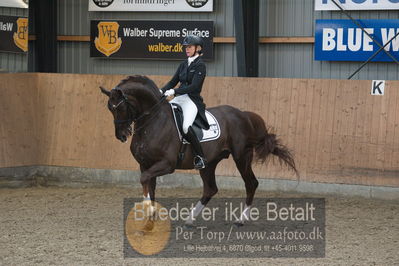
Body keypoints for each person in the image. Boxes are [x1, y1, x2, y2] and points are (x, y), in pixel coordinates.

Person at [161, 35, 209, 169]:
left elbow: (195, 87)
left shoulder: (200, 65)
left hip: (191, 100)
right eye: (186, 47)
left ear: (198, 48)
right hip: (179, 98)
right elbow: (172, 82)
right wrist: (160, 91)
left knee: (186, 126)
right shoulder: (183, 64)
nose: (187, 49)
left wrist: (175, 92)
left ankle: (200, 157)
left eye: (190, 47)